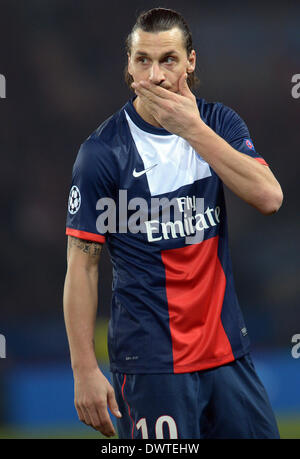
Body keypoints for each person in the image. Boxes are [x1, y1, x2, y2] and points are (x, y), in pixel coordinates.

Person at [63, 8, 283, 439]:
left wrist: (191, 129)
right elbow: (81, 267)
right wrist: (84, 369)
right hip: (151, 367)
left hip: (226, 356)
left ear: (191, 62)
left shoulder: (219, 123)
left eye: (168, 59)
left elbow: (269, 197)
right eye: (143, 60)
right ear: (128, 66)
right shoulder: (103, 153)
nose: (156, 75)